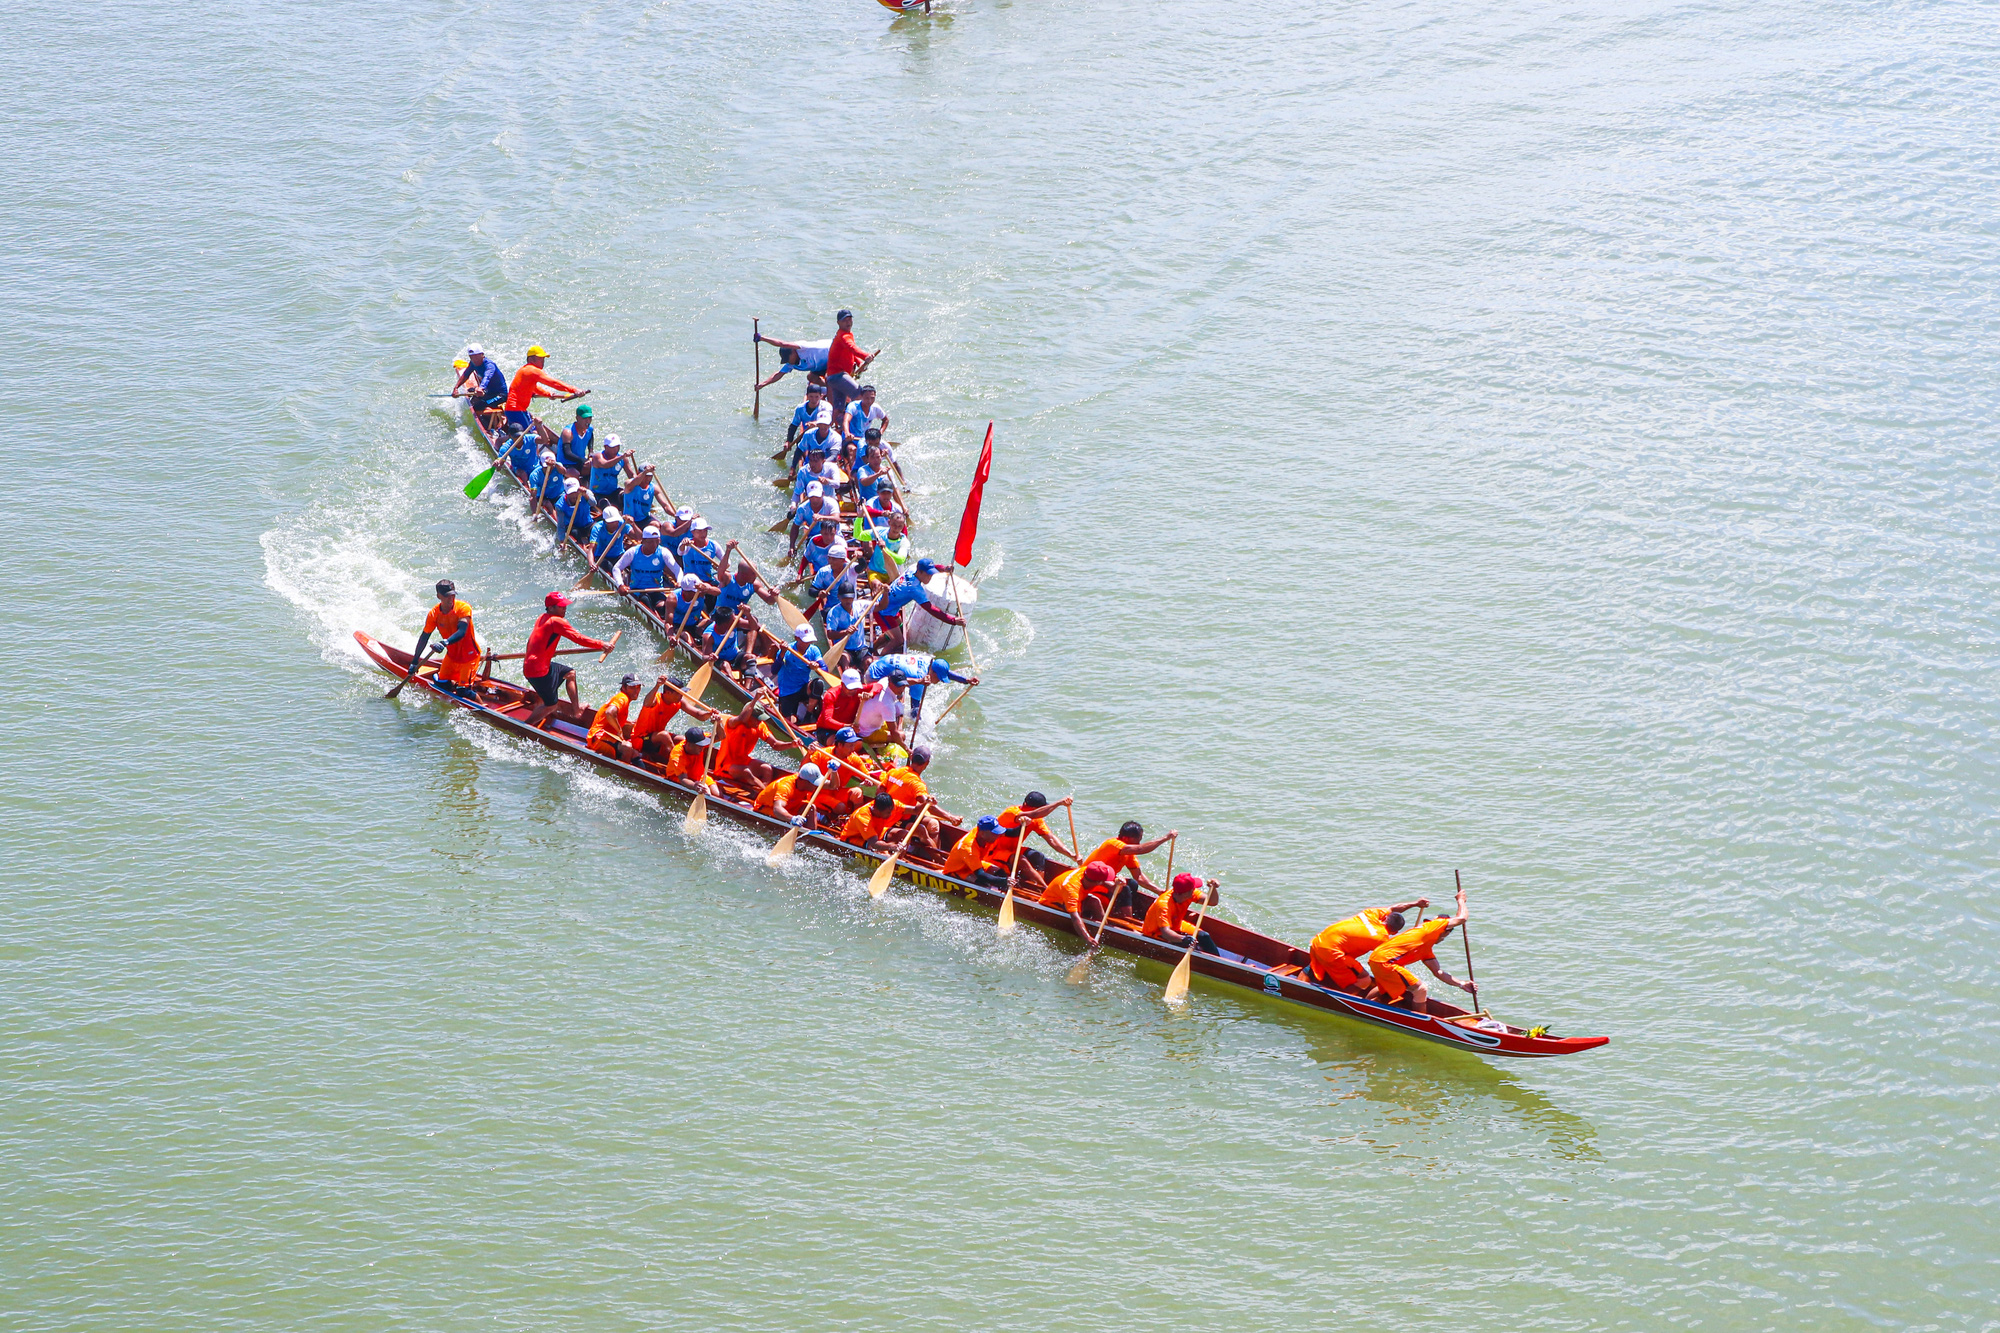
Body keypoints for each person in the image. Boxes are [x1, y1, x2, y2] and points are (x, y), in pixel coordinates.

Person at [1366, 889, 1477, 1012]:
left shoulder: (1425, 947)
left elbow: (1438, 972)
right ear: (1445, 931)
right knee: (1421, 989)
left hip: (1377, 959)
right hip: (1385, 961)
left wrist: (1462, 984)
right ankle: (1421, 1020)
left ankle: (1364, 1004)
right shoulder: (1434, 926)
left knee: (1389, 989)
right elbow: (1462, 918)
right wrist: (1461, 900)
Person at [520, 590, 613, 728]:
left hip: (538, 664)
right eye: (560, 606)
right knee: (551, 705)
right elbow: (578, 638)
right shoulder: (557, 621)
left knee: (570, 674)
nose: (564, 608)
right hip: (538, 671)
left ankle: (576, 710)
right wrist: (601, 644)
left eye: (564, 605)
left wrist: (548, 652)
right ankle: (525, 726)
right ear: (551, 608)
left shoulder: (542, 617)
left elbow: (532, 641)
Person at [1305, 898, 1430, 991]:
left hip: (1318, 941)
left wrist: (1415, 904)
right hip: (1330, 952)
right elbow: (1390, 960)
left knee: (1324, 960)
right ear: (1395, 932)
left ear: (1385, 918)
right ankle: (1341, 999)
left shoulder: (1372, 914)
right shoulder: (1382, 939)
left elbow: (1393, 909)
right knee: (1365, 980)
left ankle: (1302, 980)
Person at [1078, 822, 1177, 922]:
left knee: (1132, 884)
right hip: (1088, 882)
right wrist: (1165, 838)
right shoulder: (1112, 844)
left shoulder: (1128, 853)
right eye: (1137, 840)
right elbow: (1140, 849)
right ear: (1125, 838)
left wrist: (1159, 891)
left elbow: (1139, 876)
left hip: (1104, 883)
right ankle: (1128, 922)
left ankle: (1118, 912)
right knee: (1124, 889)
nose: (1138, 844)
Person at [870, 557, 965, 655]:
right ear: (920, 572)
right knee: (898, 640)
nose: (930, 577)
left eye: (931, 574)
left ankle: (873, 648)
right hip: (883, 611)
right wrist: (953, 620)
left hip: (890, 606)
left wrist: (944, 568)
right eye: (928, 575)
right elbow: (932, 610)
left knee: (901, 628)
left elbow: (934, 567)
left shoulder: (913, 568)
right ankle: (880, 659)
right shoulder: (915, 589)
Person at [404, 578, 482, 694]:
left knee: (463, 692)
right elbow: (424, 637)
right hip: (452, 656)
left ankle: (480, 705)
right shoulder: (434, 614)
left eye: (452, 595)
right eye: (446, 596)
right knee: (441, 684)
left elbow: (462, 632)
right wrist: (414, 662)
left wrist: (445, 642)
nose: (451, 599)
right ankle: (454, 688)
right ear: (438, 596)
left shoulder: (463, 608)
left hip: (469, 656)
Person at [991, 792, 1078, 889]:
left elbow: (1051, 839)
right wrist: (1058, 803)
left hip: (1013, 850)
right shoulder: (1011, 812)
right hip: (993, 852)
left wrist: (1072, 855)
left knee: (1038, 856)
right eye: (1040, 809)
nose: (1042, 812)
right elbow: (1036, 813)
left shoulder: (1036, 820)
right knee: (1021, 860)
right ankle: (1045, 888)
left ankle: (1035, 885)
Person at [876, 745, 950, 851]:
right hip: (896, 819)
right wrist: (951, 818)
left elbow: (879, 791)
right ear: (927, 763)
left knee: (933, 824)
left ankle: (933, 855)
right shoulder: (917, 783)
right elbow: (928, 806)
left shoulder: (894, 772)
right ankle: (935, 859)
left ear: (911, 758)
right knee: (921, 830)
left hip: (902, 813)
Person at [631, 674, 717, 763]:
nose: (682, 696)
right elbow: (646, 703)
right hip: (641, 739)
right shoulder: (656, 699)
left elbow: (698, 715)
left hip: (657, 738)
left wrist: (710, 713)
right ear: (668, 693)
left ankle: (688, 762)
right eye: (679, 693)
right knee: (664, 735)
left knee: (684, 740)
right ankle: (676, 762)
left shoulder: (679, 702)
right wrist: (657, 686)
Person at [714, 698, 791, 792]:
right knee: (746, 772)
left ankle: (758, 793)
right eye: (757, 719)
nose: (759, 722)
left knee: (767, 769)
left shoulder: (760, 726)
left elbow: (775, 744)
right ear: (748, 716)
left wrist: (791, 744)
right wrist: (756, 697)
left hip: (743, 761)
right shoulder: (733, 723)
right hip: (727, 765)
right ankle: (765, 792)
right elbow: (741, 718)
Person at [504, 346, 583, 433]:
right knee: (530, 435)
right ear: (530, 359)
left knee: (530, 433)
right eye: (540, 359)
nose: (543, 362)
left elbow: (534, 388)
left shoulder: (524, 370)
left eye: (543, 359)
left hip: (514, 409)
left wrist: (548, 394)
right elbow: (554, 383)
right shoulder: (532, 370)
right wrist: (574, 390)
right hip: (516, 410)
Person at [866, 651, 976, 713]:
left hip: (880, 661)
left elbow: (945, 671)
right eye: (939, 679)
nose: (939, 682)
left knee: (900, 690)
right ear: (932, 674)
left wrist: (966, 680)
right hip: (874, 677)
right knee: (894, 706)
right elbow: (915, 708)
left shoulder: (928, 661)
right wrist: (917, 722)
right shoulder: (919, 678)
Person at [1143, 873, 1222, 955]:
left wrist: (1214, 888)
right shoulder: (1163, 905)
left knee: (1204, 936)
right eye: (1192, 889)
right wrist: (1183, 939)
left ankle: (1218, 960)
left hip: (1176, 925)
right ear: (1184, 893)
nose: (1194, 890)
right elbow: (1166, 933)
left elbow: (1212, 902)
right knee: (1188, 944)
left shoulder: (1189, 893)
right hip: (1156, 933)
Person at [823, 309, 880, 421]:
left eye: (850, 319)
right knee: (861, 396)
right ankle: (861, 422)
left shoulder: (848, 334)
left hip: (834, 377)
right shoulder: (843, 336)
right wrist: (866, 356)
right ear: (838, 323)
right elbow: (852, 348)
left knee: (838, 408)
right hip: (838, 376)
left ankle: (838, 426)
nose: (848, 323)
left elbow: (850, 352)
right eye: (845, 320)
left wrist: (859, 362)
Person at [612, 526, 678, 614]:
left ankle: (662, 618)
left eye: (657, 541)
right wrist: (620, 585)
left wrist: (680, 581)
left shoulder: (663, 552)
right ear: (643, 541)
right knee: (645, 600)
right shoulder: (633, 552)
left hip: (656, 590)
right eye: (651, 542)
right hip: (636, 590)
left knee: (662, 608)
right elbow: (616, 568)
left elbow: (677, 569)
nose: (654, 545)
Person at [1037, 860, 1106, 942]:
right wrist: (1088, 938)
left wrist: (1117, 882)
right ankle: (1093, 936)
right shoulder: (1072, 890)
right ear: (1098, 882)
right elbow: (1075, 918)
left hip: (1069, 895)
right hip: (1053, 902)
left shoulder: (1088, 871)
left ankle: (1104, 931)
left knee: (1095, 901)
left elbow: (1108, 882)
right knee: (1079, 915)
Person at [772, 623, 825, 724]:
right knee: (790, 722)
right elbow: (774, 670)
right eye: (805, 641)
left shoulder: (813, 650)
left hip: (803, 688)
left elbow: (824, 670)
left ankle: (808, 715)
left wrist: (817, 667)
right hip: (787, 692)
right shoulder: (788, 650)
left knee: (818, 684)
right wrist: (782, 653)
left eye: (810, 641)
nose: (807, 643)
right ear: (796, 638)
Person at [940, 816, 1012, 887]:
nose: (998, 835)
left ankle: (1004, 889)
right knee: (983, 884)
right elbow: (981, 875)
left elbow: (1011, 832)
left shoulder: (980, 831)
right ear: (983, 834)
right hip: (958, 871)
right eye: (995, 833)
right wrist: (1003, 881)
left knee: (1000, 872)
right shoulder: (969, 849)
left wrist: (1021, 823)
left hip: (973, 863)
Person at [586, 674, 644, 762]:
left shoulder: (623, 699)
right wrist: (619, 731)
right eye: (632, 687)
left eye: (638, 687)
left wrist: (630, 724)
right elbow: (609, 713)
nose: (636, 690)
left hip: (606, 737)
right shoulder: (622, 698)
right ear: (624, 687)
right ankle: (624, 772)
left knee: (635, 753)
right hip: (598, 738)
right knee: (627, 748)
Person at [752, 332, 831, 393]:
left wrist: (762, 338)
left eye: (788, 359)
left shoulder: (802, 347)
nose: (788, 362)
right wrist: (763, 384)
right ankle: (832, 387)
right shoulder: (791, 364)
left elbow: (782, 344)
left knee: (829, 377)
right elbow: (778, 374)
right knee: (811, 377)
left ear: (793, 352)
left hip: (835, 353)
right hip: (823, 365)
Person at [853, 667, 914, 746]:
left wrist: (921, 681)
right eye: (898, 686)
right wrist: (907, 749)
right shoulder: (886, 704)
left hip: (873, 721)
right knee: (901, 736)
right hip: (866, 733)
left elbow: (907, 681)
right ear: (890, 683)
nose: (902, 689)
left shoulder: (885, 680)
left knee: (897, 709)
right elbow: (894, 733)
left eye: (903, 685)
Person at [453, 344, 508, 426]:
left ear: (482, 355)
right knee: (472, 398)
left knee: (476, 406)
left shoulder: (490, 366)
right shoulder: (473, 363)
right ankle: (489, 412)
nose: (474, 360)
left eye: (476, 357)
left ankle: (495, 423)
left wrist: (481, 388)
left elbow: (487, 377)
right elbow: (465, 375)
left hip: (500, 395)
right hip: (488, 392)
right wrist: (456, 388)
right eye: (471, 357)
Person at [754, 763, 823, 827]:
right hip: (766, 808)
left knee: (810, 807)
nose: (817, 786)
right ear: (805, 782)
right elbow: (777, 809)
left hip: (789, 806)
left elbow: (831, 786)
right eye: (815, 783)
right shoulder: (785, 787)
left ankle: (811, 836)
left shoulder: (803, 782)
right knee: (783, 817)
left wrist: (833, 771)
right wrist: (792, 818)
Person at [839, 792, 904, 851]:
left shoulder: (887, 805)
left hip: (875, 834)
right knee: (873, 847)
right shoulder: (863, 817)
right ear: (877, 810)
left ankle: (899, 858)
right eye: (888, 813)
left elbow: (912, 810)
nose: (890, 815)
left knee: (904, 834)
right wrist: (890, 846)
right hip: (853, 838)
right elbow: (873, 844)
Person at [664, 727, 719, 792]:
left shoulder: (700, 739)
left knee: (717, 794)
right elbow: (683, 779)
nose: (702, 748)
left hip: (699, 776)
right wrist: (695, 786)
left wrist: (718, 723)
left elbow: (720, 736)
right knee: (706, 792)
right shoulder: (677, 756)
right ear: (689, 745)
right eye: (699, 746)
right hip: (678, 778)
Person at [584, 432, 628, 508]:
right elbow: (605, 465)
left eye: (617, 446)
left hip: (613, 491)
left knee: (625, 497)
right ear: (605, 447)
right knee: (606, 505)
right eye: (613, 447)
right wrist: (621, 457)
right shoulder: (598, 456)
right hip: (598, 493)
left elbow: (631, 475)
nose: (616, 449)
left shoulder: (622, 458)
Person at [555, 403, 596, 479]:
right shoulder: (568, 432)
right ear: (577, 418)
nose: (588, 421)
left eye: (590, 418)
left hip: (579, 461)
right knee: (575, 474)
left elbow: (590, 438)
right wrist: (583, 460)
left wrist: (591, 451)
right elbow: (567, 454)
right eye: (585, 418)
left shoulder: (589, 429)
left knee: (596, 467)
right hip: (566, 463)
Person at [844, 384, 887, 449]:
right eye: (867, 398)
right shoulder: (853, 406)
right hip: (852, 439)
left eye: (872, 398)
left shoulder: (875, 408)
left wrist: (880, 433)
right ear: (861, 396)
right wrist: (847, 433)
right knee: (852, 449)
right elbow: (846, 420)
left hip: (866, 440)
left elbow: (886, 420)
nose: (869, 401)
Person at [787, 381, 829, 447]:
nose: (814, 400)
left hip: (823, 436)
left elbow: (829, 421)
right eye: (811, 396)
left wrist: (816, 423)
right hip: (807, 435)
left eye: (816, 397)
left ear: (821, 396)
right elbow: (794, 425)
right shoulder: (800, 408)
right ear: (807, 396)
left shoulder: (826, 406)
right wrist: (789, 441)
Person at [589, 508, 629, 573]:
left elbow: (638, 537)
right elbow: (591, 549)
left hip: (618, 554)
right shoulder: (597, 528)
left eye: (616, 521)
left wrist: (633, 524)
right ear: (605, 522)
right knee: (609, 566)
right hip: (601, 557)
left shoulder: (622, 524)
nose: (615, 524)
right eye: (612, 522)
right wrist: (591, 564)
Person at [552, 477, 593, 542]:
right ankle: (582, 543)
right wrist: (562, 541)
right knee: (575, 533)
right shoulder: (560, 505)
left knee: (595, 529)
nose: (574, 496)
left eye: (575, 492)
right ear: (566, 492)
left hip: (587, 523)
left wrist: (585, 495)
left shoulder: (586, 493)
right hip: (573, 526)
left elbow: (593, 503)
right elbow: (561, 526)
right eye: (571, 493)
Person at [621, 462, 660, 527]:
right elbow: (630, 484)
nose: (648, 479)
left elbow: (665, 505)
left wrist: (675, 515)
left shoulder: (654, 488)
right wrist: (645, 471)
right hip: (628, 519)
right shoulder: (629, 483)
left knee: (656, 525)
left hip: (643, 519)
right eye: (646, 476)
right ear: (639, 474)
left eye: (650, 476)